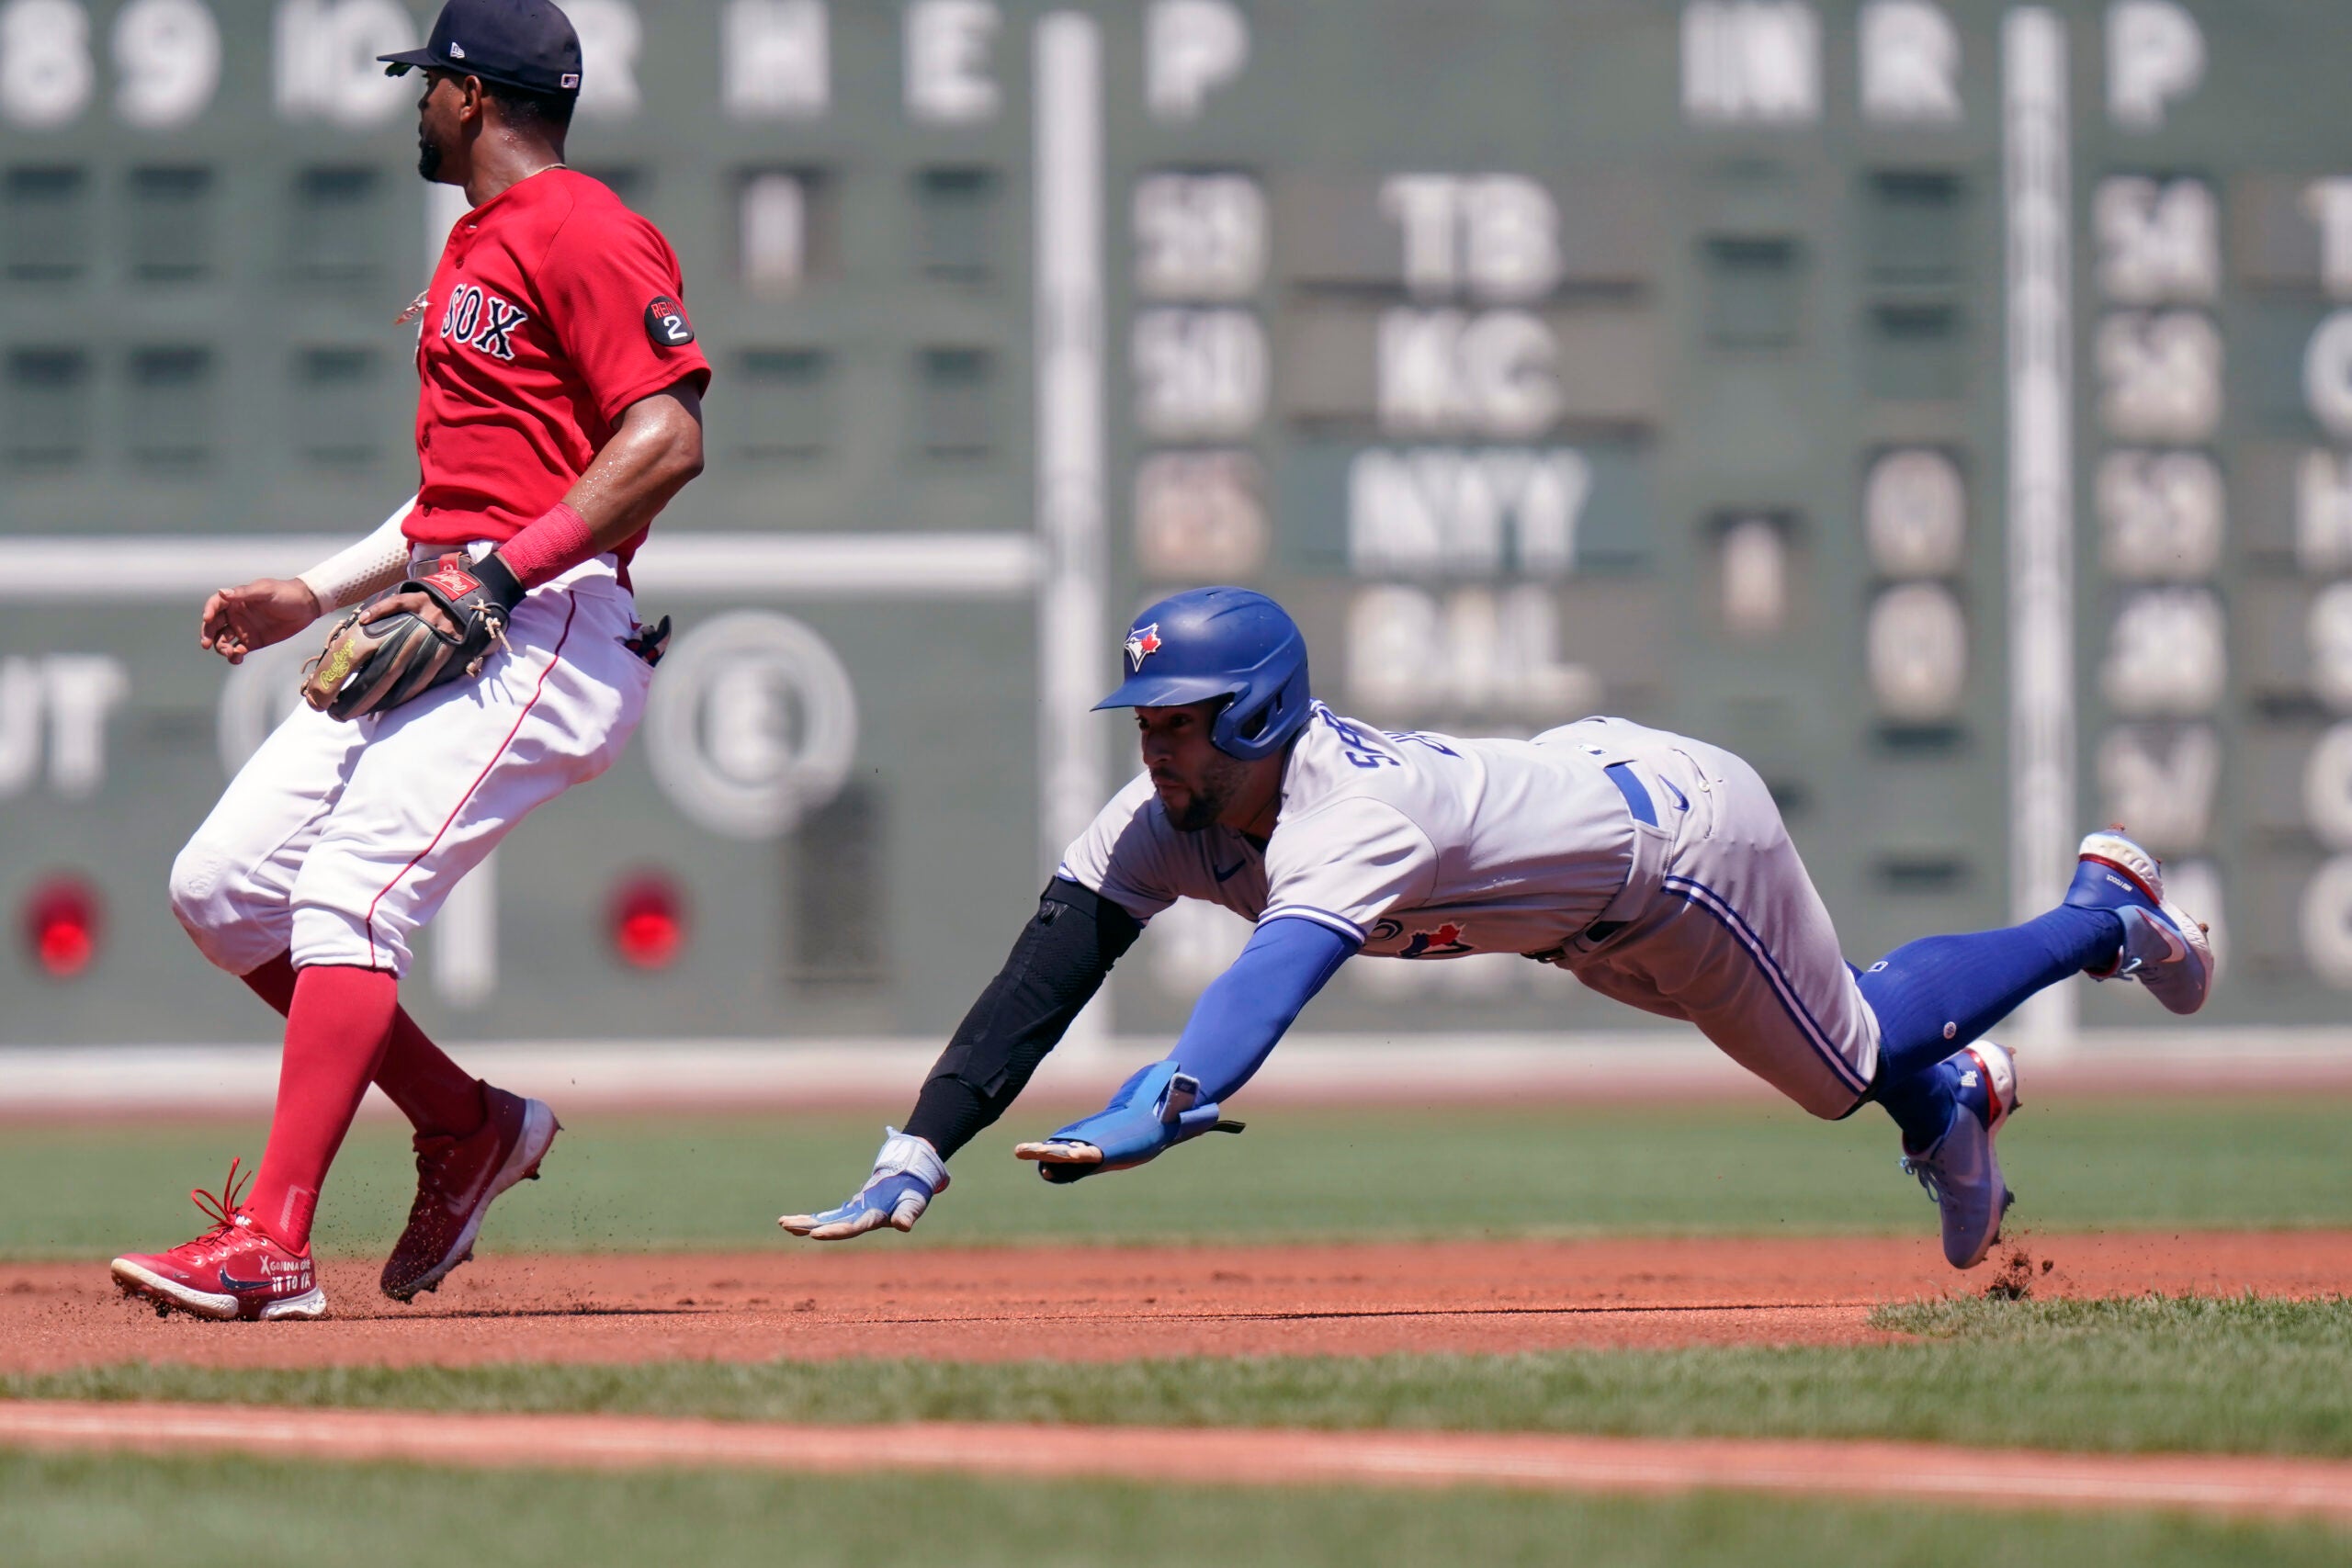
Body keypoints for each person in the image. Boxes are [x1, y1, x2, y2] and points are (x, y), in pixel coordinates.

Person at [782, 587, 2211, 1270]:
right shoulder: (1165, 816)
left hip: (1681, 847)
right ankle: (1954, 1106)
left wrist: (1169, 1097)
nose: (1157, 751)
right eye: (1147, 724)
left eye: (1184, 724)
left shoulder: (1350, 815)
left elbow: (1265, 986)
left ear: (1263, 715)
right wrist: (920, 1146)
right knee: (1838, 1052)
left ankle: (2099, 916)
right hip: (1579, 908)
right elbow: (1048, 969)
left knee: (1844, 1058)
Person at [112, 0, 709, 1321]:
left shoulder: (583, 228)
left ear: (475, 98)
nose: (415, 105)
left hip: (548, 628)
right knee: (221, 889)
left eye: (426, 82)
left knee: (347, 895)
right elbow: (459, 499)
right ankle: (464, 1125)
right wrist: (309, 594)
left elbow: (665, 438)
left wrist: (503, 571)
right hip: (464, 606)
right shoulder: (474, 249)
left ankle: (272, 1241)